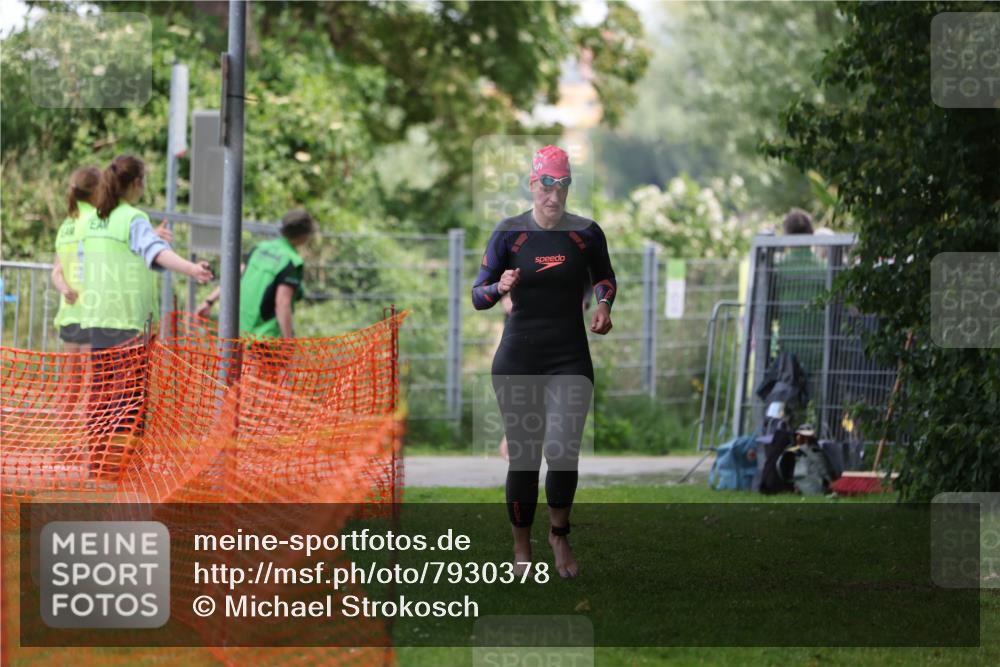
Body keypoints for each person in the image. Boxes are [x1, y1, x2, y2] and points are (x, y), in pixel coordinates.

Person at [472, 145, 616, 578]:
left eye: (563, 184)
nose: (554, 194)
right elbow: (477, 295)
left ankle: (559, 534)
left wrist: (605, 306)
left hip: (569, 355)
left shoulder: (586, 233)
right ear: (533, 184)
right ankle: (521, 548)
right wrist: (499, 286)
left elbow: (605, 278)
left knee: (562, 450)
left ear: (569, 186)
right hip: (518, 356)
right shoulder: (509, 233)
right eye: (546, 184)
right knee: (525, 456)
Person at [78, 154, 213, 476]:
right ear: (137, 183)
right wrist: (192, 268)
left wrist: (149, 234)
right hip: (128, 322)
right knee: (129, 399)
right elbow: (157, 253)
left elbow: (104, 256)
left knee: (101, 394)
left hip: (98, 317)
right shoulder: (132, 218)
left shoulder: (96, 218)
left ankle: (98, 465)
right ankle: (122, 468)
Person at [196, 208, 316, 339]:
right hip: (265, 341)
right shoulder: (292, 261)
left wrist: (209, 301)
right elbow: (283, 303)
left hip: (240, 334)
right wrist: (289, 341)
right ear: (304, 234)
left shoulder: (261, 248)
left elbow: (237, 275)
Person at [51, 167, 100, 410]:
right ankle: (84, 446)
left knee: (70, 386)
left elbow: (56, 273)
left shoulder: (66, 225)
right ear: (97, 191)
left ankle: (64, 444)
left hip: (69, 312)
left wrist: (65, 289)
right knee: (92, 388)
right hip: (93, 312)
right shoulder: (97, 220)